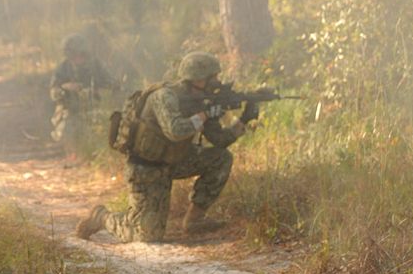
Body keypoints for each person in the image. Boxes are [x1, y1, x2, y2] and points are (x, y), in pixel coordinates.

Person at [75, 52, 259, 243]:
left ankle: (194, 220)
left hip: (175, 161)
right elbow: (176, 130)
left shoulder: (201, 101)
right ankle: (102, 217)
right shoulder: (164, 96)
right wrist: (205, 114)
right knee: (146, 236)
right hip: (147, 169)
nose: (216, 82)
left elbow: (219, 140)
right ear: (197, 79)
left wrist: (243, 120)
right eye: (212, 78)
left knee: (221, 158)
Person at [49, 33, 116, 157]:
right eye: (73, 54)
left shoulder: (96, 65)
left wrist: (95, 90)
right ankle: (73, 153)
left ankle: (98, 155)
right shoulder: (63, 68)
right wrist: (65, 88)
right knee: (67, 126)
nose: (77, 57)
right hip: (71, 109)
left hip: (95, 107)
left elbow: (112, 85)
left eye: (80, 54)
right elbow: (53, 93)